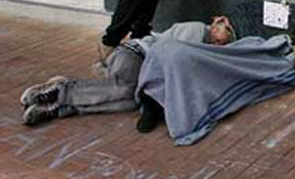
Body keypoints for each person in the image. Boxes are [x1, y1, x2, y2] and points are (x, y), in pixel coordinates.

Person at [20, 17, 236, 132]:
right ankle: (60, 90)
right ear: (215, 25)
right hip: (136, 54)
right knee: (124, 89)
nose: (219, 43)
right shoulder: (198, 30)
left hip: (143, 67)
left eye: (223, 44)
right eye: (222, 36)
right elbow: (177, 57)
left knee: (130, 102)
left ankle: (60, 108)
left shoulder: (203, 44)